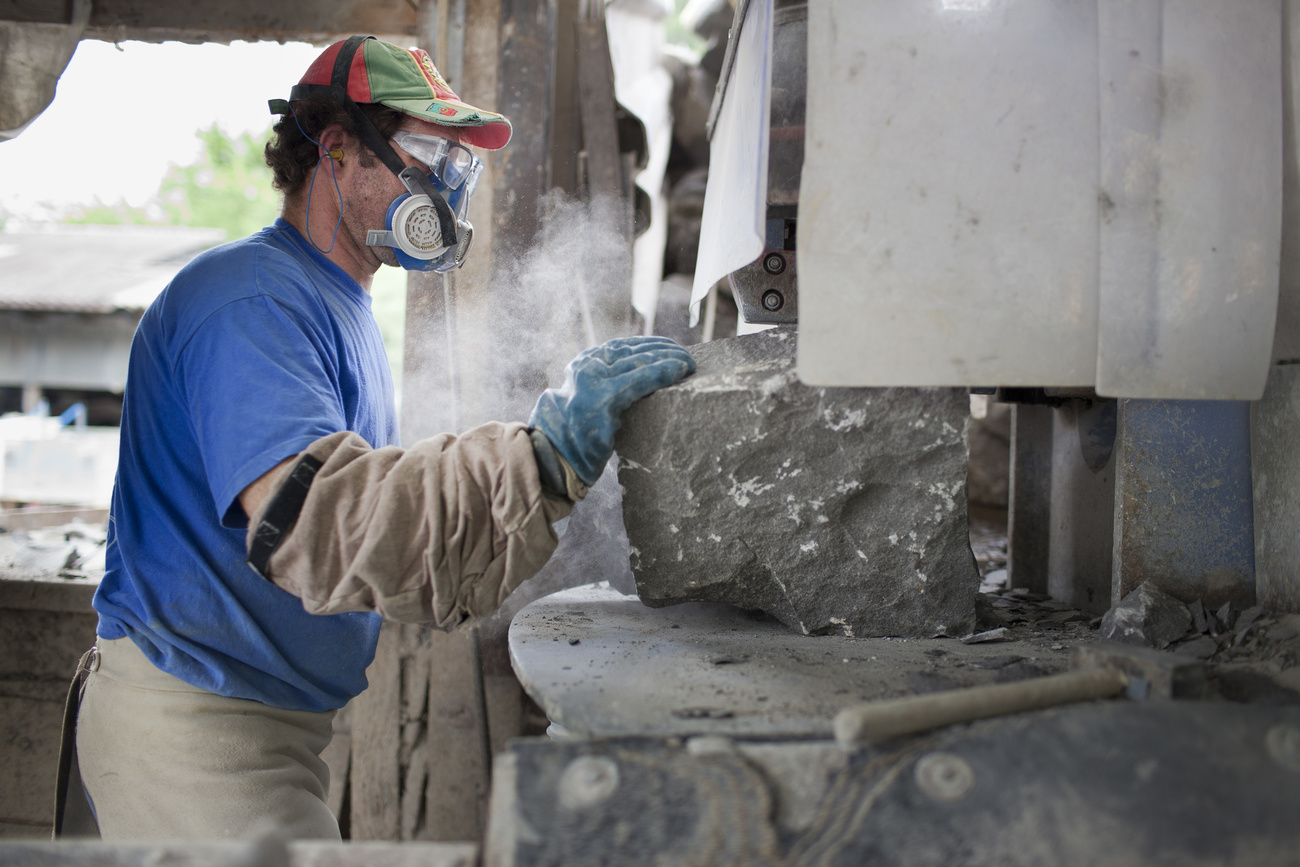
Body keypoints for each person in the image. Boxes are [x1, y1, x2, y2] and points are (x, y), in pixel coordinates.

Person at [63, 35, 694, 841]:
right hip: (195, 725)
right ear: (336, 148)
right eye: (429, 156)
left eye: (460, 164)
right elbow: (315, 522)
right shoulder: (252, 302)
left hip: (260, 721)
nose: (448, 186)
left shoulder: (337, 301)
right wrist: (534, 459)